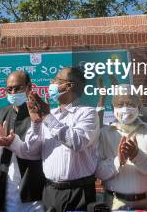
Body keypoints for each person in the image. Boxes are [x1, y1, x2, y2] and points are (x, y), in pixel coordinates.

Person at [18, 67, 99, 212]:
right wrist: (36, 123)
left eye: (56, 80)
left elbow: (77, 142)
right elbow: (31, 151)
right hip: (50, 191)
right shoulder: (51, 114)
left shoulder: (88, 113)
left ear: (69, 86)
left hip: (78, 192)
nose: (51, 83)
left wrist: (47, 117)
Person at [96, 92, 147, 210]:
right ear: (113, 107)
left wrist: (138, 156)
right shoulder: (104, 134)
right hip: (116, 203)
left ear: (138, 106)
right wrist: (119, 160)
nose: (125, 108)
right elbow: (98, 171)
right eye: (120, 104)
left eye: (130, 104)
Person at [0, 70, 45, 212]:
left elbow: (39, 148)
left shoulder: (40, 112)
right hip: (8, 183)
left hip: (33, 183)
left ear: (29, 87)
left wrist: (12, 143)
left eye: (18, 88)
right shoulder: (1, 113)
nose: (13, 92)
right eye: (9, 89)